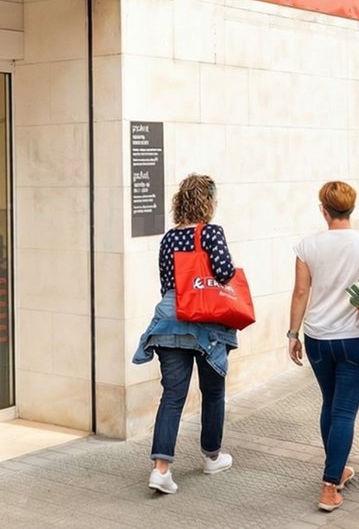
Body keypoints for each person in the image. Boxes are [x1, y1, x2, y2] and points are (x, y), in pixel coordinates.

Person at [288, 181, 359, 513]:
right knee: (344, 411)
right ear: (351, 208)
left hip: (319, 339)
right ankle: (329, 486)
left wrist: (292, 334)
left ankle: (338, 469)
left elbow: (301, 293)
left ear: (324, 211)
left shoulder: (307, 246)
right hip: (357, 339)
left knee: (330, 404)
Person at [132, 173, 237, 494]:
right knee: (213, 392)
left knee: (172, 396)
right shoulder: (212, 233)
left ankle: (161, 470)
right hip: (205, 322)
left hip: (170, 320)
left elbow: (167, 283)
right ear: (208, 201)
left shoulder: (168, 238)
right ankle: (212, 456)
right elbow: (224, 273)